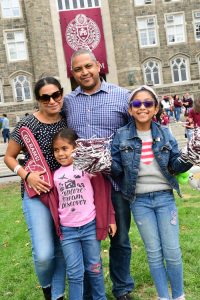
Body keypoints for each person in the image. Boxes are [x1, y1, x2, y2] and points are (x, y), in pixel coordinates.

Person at [63, 49, 134, 300]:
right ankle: (89, 290)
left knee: (121, 237)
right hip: (81, 185)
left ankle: (122, 287)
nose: (85, 72)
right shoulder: (68, 102)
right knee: (82, 238)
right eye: (79, 69)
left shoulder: (121, 96)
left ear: (98, 65)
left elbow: (135, 130)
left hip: (115, 180)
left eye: (88, 66)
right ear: (73, 73)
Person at [111, 85, 193, 300]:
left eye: (148, 103)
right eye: (137, 104)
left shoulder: (165, 133)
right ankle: (163, 297)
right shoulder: (120, 136)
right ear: (130, 109)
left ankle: (178, 296)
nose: (142, 107)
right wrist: (104, 164)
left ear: (156, 108)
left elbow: (175, 164)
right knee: (154, 253)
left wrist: (188, 158)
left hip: (165, 198)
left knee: (172, 252)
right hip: (139, 202)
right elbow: (117, 170)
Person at [4, 77, 67, 300]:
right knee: (44, 254)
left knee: (61, 248)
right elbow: (9, 157)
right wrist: (26, 175)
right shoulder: (26, 125)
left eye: (56, 95)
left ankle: (57, 295)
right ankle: (47, 289)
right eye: (45, 97)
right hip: (36, 193)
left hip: (65, 191)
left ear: (61, 93)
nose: (52, 100)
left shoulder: (68, 119)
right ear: (38, 99)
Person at [52, 127, 117, 300]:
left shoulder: (88, 169)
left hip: (89, 226)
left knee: (94, 268)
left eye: (64, 148)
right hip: (68, 231)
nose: (60, 153)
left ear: (75, 148)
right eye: (56, 150)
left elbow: (104, 194)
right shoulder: (55, 176)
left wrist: (110, 218)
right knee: (74, 274)